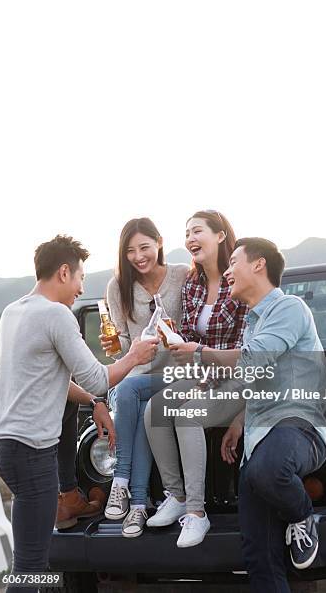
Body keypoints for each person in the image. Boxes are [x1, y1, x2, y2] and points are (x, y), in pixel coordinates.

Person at [0, 235, 158, 593]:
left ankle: (68, 498)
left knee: (30, 562)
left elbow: (55, 381)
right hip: (33, 453)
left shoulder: (14, 311)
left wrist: (96, 403)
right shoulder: (56, 314)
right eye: (81, 278)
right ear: (64, 272)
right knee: (31, 566)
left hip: (8, 449)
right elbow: (98, 376)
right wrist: (135, 356)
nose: (81, 288)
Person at [201, 237, 326, 592]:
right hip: (259, 438)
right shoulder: (252, 324)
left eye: (233, 263)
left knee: (269, 469)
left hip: (298, 426)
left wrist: (199, 351)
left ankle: (302, 516)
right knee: (259, 558)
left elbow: (254, 358)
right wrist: (239, 422)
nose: (226, 272)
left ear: (259, 265)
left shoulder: (290, 308)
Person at [144, 210, 248, 548]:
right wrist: (174, 339)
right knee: (154, 409)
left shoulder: (240, 279)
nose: (190, 237)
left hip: (238, 378)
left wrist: (201, 356)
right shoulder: (193, 283)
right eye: (186, 232)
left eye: (197, 230)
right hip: (203, 373)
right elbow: (189, 335)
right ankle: (174, 496)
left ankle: (196, 513)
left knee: (188, 415)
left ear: (220, 235)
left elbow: (247, 349)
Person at [100, 217, 189, 538]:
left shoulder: (182, 275)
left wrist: (178, 336)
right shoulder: (117, 286)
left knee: (131, 393)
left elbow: (194, 328)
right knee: (130, 395)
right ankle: (136, 502)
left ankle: (123, 483)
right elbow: (123, 345)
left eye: (144, 247)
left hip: (176, 373)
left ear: (159, 243)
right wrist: (115, 347)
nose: (138, 256)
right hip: (138, 377)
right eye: (130, 250)